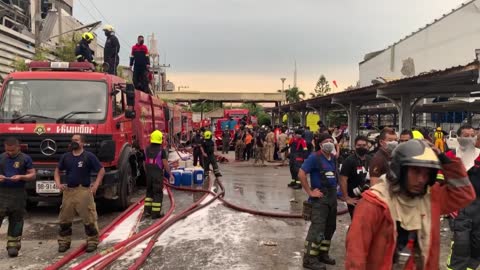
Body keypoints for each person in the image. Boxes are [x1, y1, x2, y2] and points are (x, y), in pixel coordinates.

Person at [345, 139, 475, 270]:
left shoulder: (430, 198)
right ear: (399, 170)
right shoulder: (374, 203)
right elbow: (356, 257)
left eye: (427, 174)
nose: (421, 180)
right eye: (416, 172)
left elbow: (464, 193)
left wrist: (443, 158)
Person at [54, 134, 105, 253]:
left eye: (76, 140)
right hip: (69, 192)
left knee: (89, 218)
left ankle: (92, 241)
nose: (73, 142)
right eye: (72, 140)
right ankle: (64, 242)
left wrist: (96, 185)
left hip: (84, 191)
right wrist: (58, 183)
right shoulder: (66, 157)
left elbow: (101, 170)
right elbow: (57, 170)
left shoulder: (88, 156)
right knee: (64, 219)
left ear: (82, 143)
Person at [298, 133, 338, 270]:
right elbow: (301, 173)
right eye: (326, 141)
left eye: (331, 141)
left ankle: (322, 254)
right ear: (320, 144)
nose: (329, 143)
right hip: (320, 199)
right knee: (317, 229)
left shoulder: (332, 158)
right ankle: (309, 259)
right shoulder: (314, 157)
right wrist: (310, 192)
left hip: (332, 198)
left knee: (330, 227)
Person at [447, 124, 480, 270]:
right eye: (465, 135)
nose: (469, 138)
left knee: (477, 243)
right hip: (458, 205)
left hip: (478, 207)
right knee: (461, 242)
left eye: (472, 135)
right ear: (458, 137)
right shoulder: (451, 156)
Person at [0, 137, 36, 257]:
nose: (9, 153)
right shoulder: (1, 157)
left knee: (16, 219)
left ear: (18, 148)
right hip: (2, 192)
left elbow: (32, 174)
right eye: (7, 150)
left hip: (18, 193)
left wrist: (21, 177)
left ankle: (13, 245)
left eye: (12, 150)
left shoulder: (25, 158)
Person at [339, 135, 371, 219]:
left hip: (369, 198)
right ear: (354, 146)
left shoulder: (370, 159)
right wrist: (346, 198)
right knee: (357, 223)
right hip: (355, 199)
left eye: (364, 145)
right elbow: (343, 179)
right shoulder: (349, 161)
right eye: (359, 145)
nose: (361, 147)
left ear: (368, 146)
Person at [144, 130, 172, 219]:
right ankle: (155, 213)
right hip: (157, 174)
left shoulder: (147, 149)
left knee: (149, 192)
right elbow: (165, 163)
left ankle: (147, 211)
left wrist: (147, 172)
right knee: (157, 193)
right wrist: (170, 173)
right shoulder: (161, 150)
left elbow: (145, 162)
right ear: (160, 139)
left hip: (149, 174)